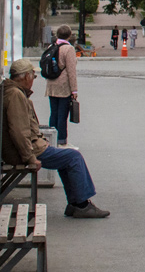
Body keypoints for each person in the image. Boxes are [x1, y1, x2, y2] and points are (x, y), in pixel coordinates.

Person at [4, 59, 109, 218]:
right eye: (33, 76)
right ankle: (81, 204)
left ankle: (75, 203)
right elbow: (19, 131)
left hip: (24, 148)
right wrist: (30, 158)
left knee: (65, 158)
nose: (33, 80)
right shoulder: (15, 95)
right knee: (73, 157)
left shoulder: (11, 92)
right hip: (25, 151)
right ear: (26, 77)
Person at [44, 25, 79, 147]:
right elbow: (71, 71)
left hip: (51, 85)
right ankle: (61, 140)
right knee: (62, 114)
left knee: (53, 113)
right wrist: (74, 90)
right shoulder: (68, 49)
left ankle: (51, 139)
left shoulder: (51, 47)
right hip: (63, 87)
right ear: (69, 35)